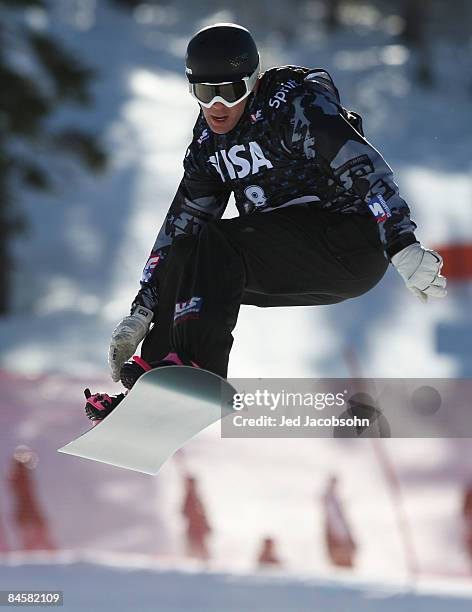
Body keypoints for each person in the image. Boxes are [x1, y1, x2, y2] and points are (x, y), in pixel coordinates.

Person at [84, 23, 447, 420]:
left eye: (230, 91)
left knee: (218, 241)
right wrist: (143, 310)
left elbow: (361, 165)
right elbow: (182, 223)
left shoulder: (293, 105)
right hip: (294, 255)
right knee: (190, 251)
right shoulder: (209, 144)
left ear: (253, 82)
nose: (217, 106)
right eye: (206, 94)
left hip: (349, 241)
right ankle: (155, 377)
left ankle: (196, 370)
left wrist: (400, 241)